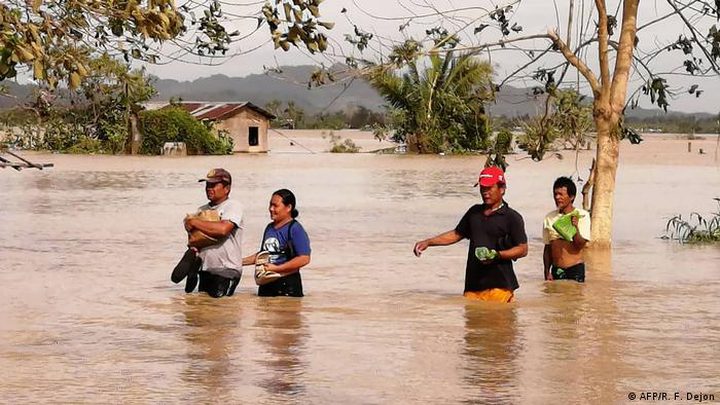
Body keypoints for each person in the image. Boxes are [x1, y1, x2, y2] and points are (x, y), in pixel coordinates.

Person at [413, 166, 528, 303]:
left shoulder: (512, 217)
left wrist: (496, 255)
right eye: (482, 188)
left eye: (489, 188)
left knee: (498, 322)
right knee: (472, 323)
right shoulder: (474, 213)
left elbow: (523, 249)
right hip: (472, 286)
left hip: (500, 286)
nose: (485, 192)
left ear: (502, 189)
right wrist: (428, 242)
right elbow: (456, 234)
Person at [173, 168, 244, 298]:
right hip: (205, 270)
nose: (208, 188)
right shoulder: (202, 210)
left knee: (221, 309)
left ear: (227, 188)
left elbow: (223, 229)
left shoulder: (233, 206)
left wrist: (194, 223)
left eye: (213, 185)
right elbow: (195, 240)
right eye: (207, 185)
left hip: (226, 270)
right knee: (204, 311)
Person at [243, 189, 311, 297]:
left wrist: (277, 268)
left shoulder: (295, 229)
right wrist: (239, 262)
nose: (271, 209)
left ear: (288, 207)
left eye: (275, 206)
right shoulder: (269, 228)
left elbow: (304, 258)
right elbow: (263, 254)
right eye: (270, 205)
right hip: (266, 283)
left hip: (287, 285)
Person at [542, 176, 591, 282]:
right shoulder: (549, 218)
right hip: (557, 269)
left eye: (561, 194)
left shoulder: (582, 216)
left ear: (571, 197)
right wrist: (546, 271)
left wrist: (575, 228)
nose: (557, 197)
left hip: (575, 269)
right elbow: (547, 248)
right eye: (555, 194)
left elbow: (580, 245)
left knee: (574, 298)